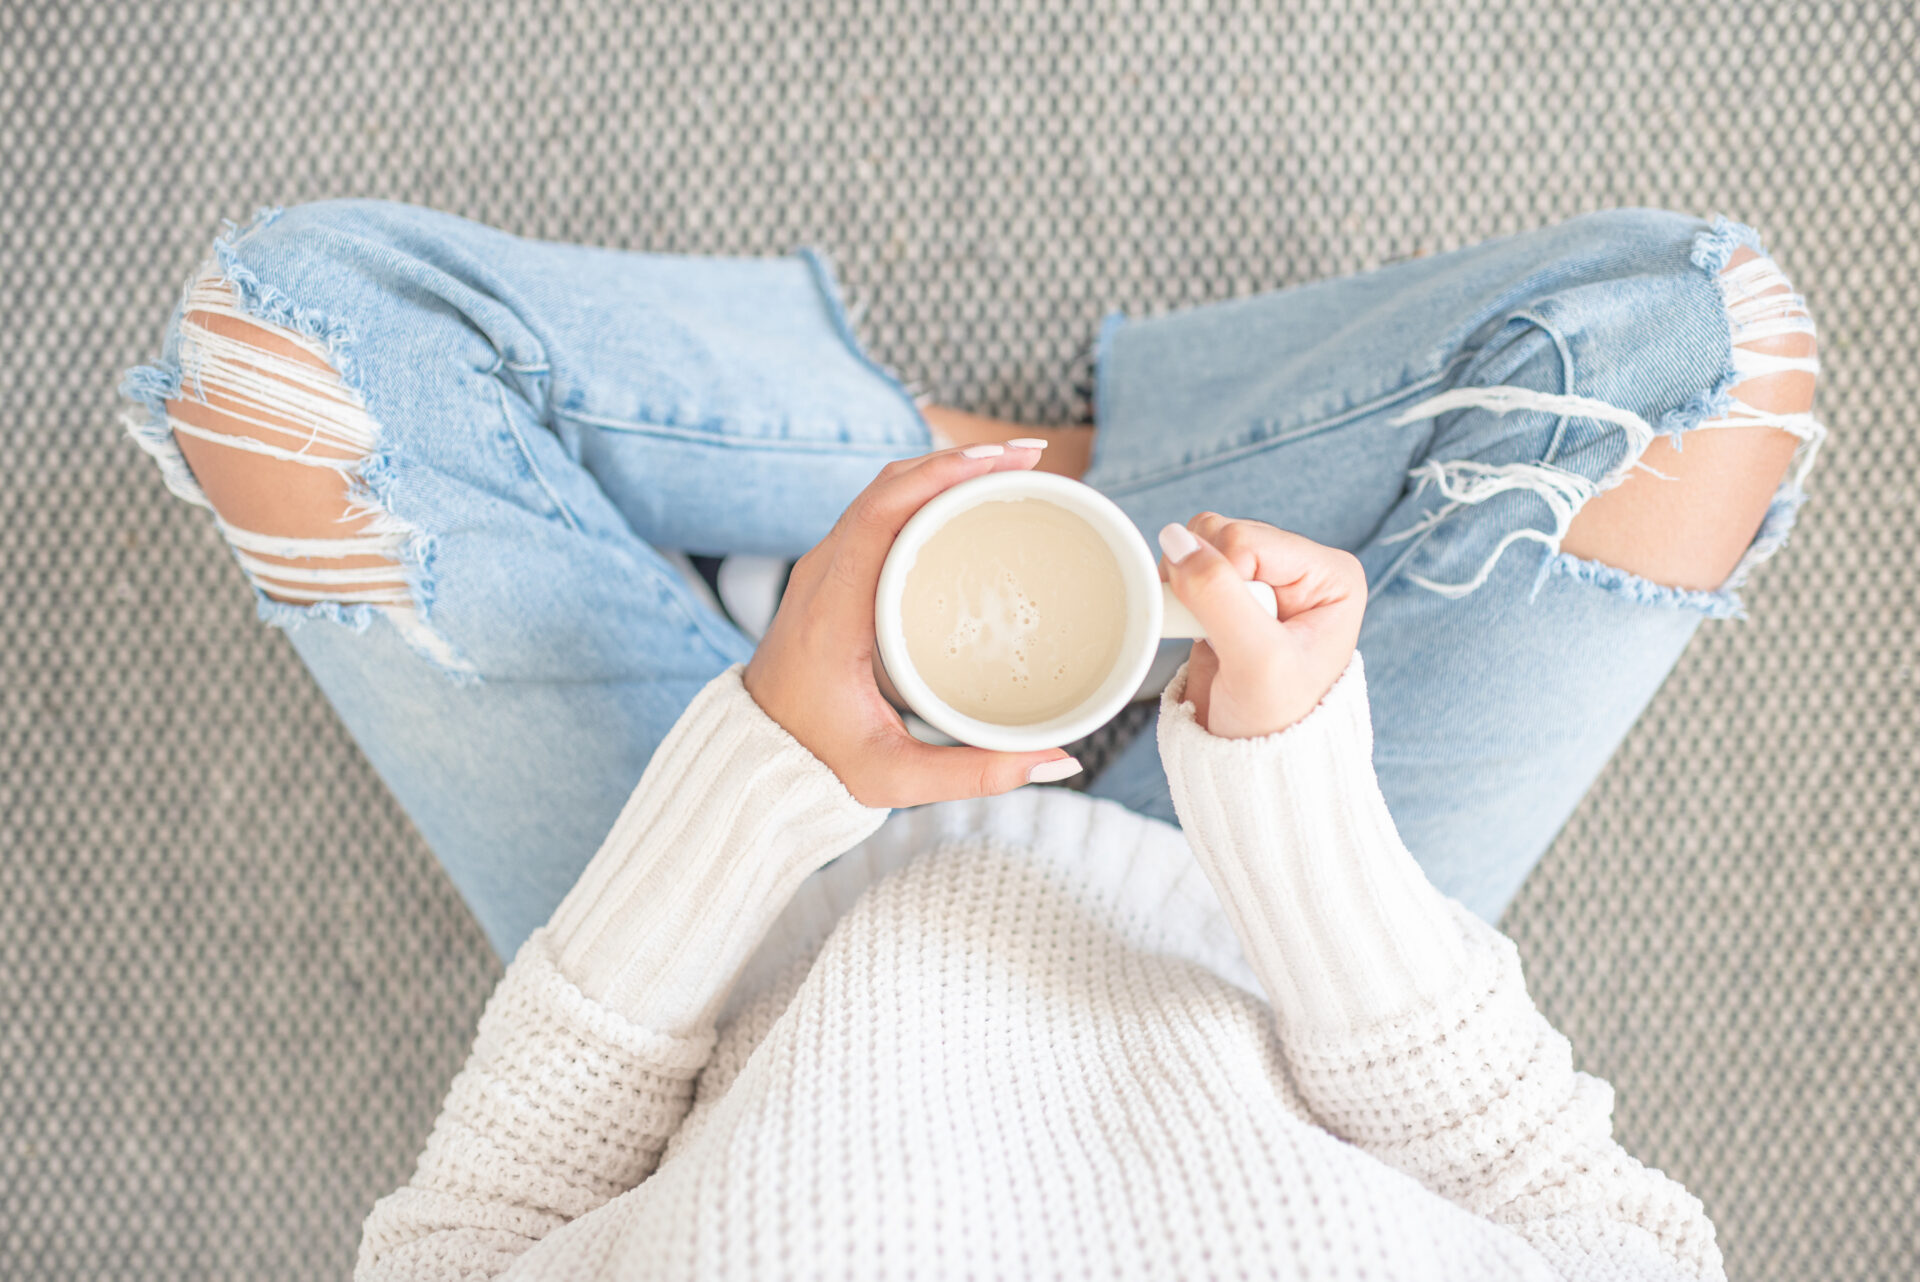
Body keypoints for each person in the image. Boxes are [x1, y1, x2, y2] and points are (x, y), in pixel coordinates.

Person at [123, 201, 1819, 1280]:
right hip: (1279, 919)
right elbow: (1585, 1208)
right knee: (1700, 346)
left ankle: (917, 506)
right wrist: (1297, 789)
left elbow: (472, 1234)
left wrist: (763, 759)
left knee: (288, 347)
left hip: (725, 937)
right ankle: (1029, 496)